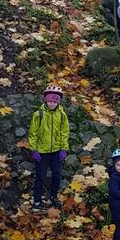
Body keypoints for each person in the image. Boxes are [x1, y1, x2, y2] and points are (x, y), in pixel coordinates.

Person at [27, 84, 69, 212]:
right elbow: (33, 133)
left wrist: (63, 149)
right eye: (49, 101)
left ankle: (53, 196)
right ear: (45, 100)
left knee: (57, 174)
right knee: (40, 176)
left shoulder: (62, 115)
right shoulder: (38, 114)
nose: (52, 104)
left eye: (54, 101)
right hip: (42, 152)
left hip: (56, 152)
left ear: (58, 102)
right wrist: (34, 149)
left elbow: (64, 132)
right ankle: (37, 201)